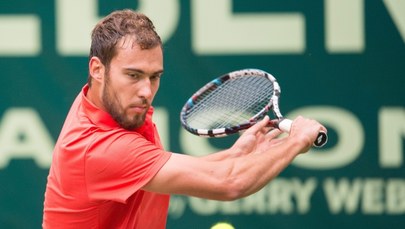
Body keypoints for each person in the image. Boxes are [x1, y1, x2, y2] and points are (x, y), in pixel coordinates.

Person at [42, 9, 326, 229]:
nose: (146, 91)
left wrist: (234, 155)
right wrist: (296, 142)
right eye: (133, 75)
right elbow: (231, 184)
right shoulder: (100, 147)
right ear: (97, 69)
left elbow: (159, 172)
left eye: (154, 77)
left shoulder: (111, 106)